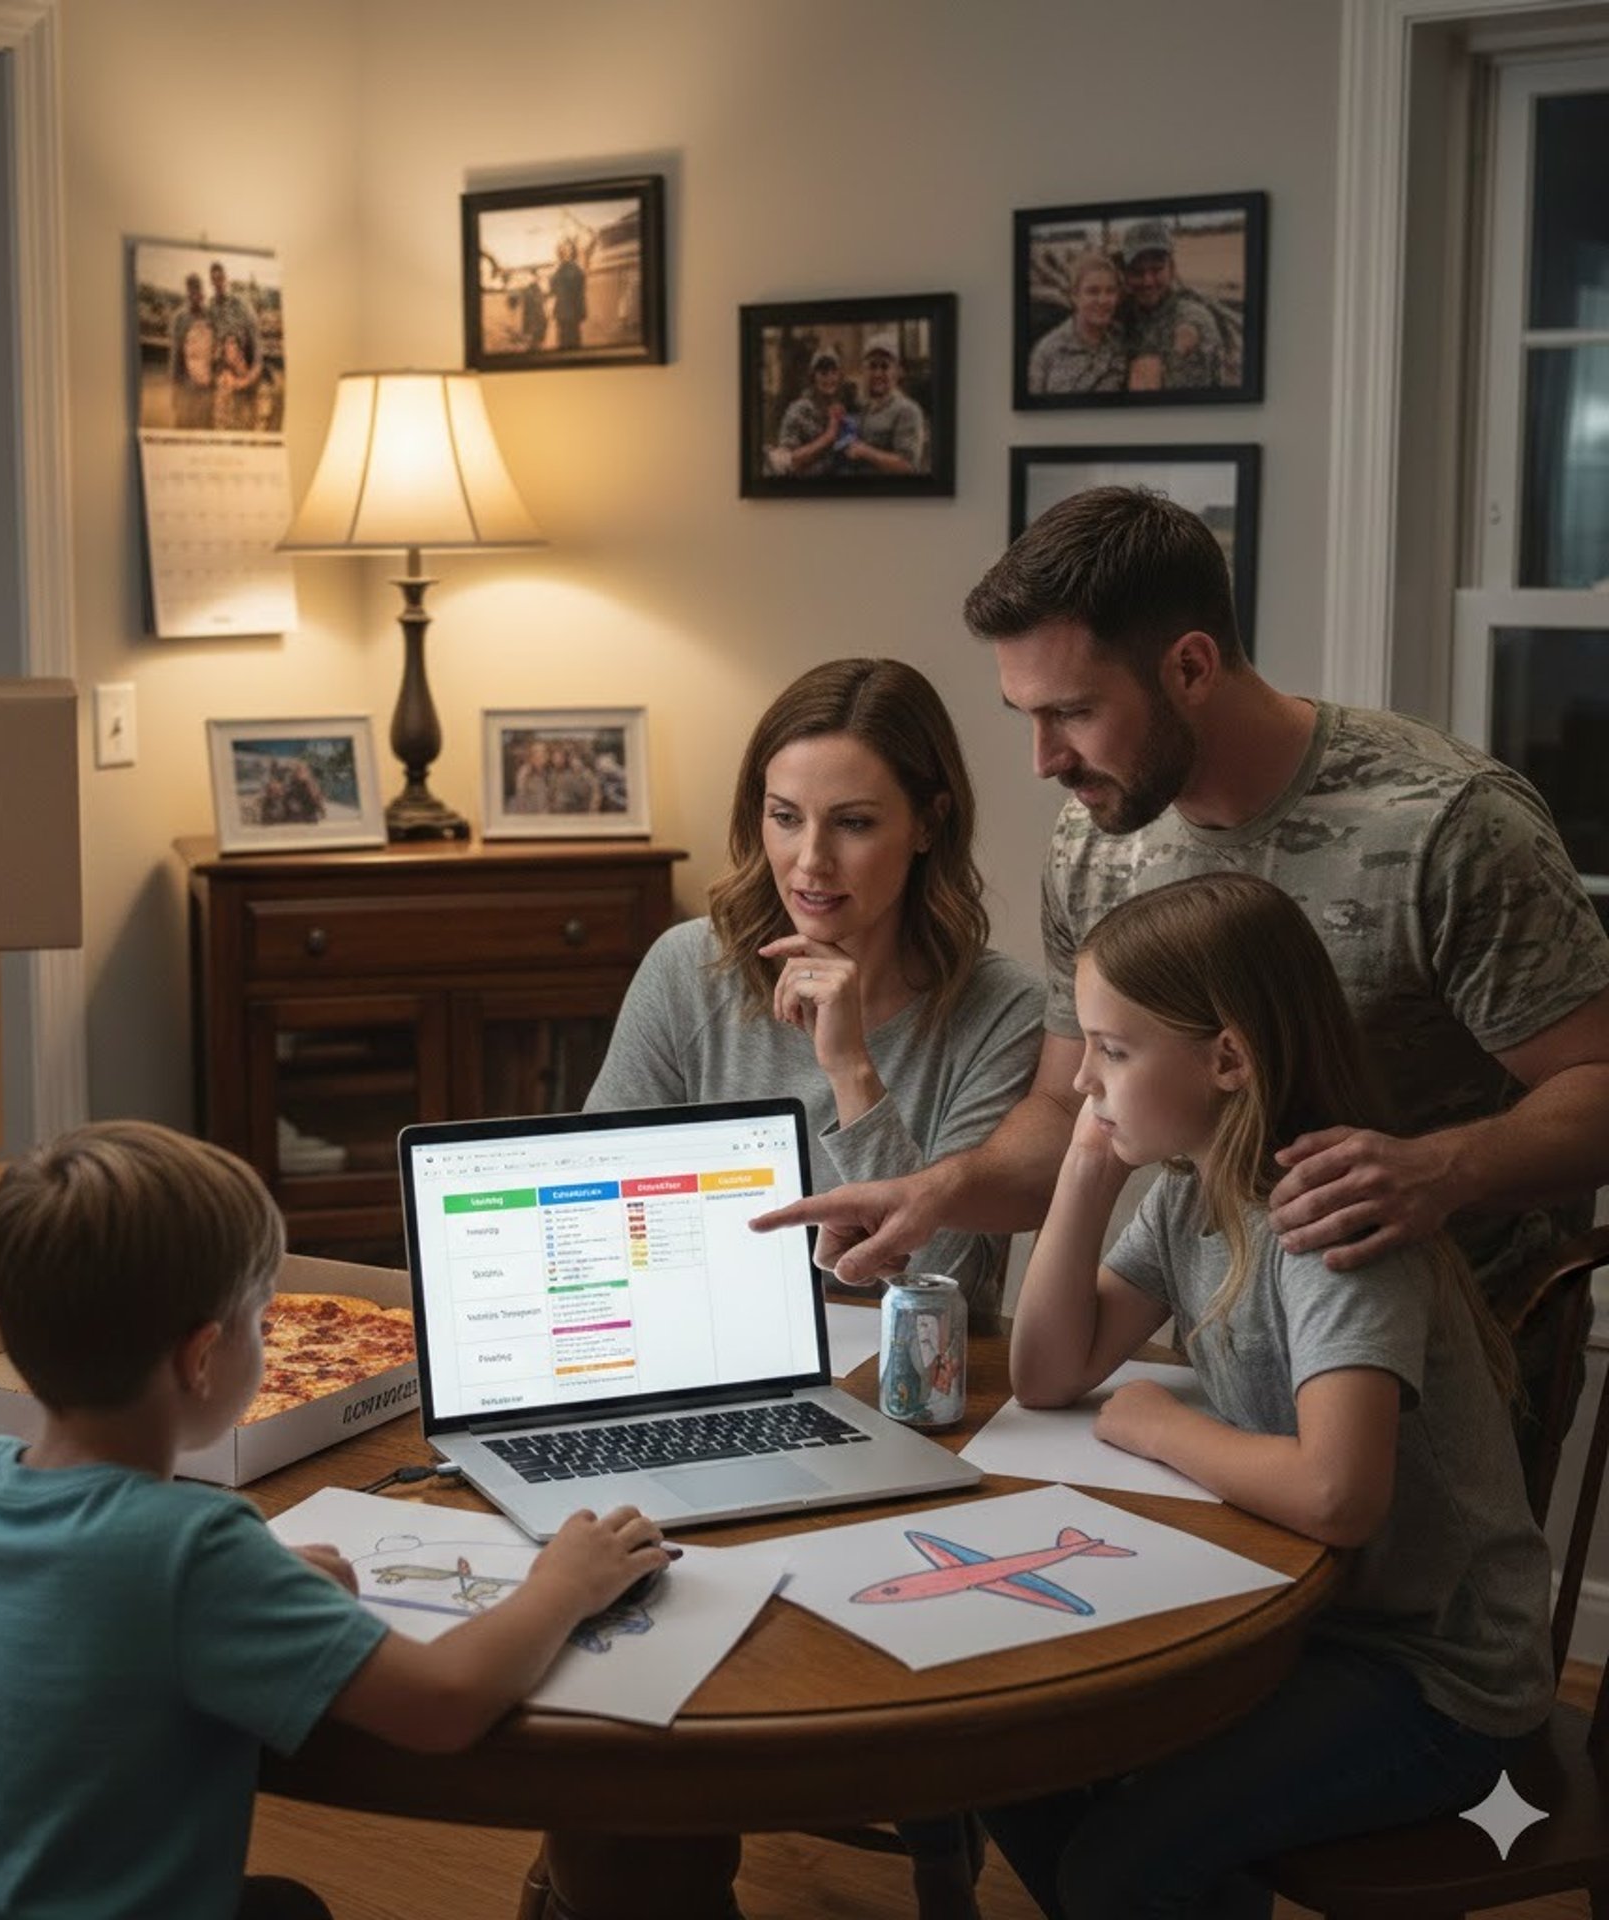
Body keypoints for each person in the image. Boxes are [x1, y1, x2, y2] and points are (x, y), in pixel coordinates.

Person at [754, 485, 1609, 1470]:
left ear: (1192, 666)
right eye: (1026, 714)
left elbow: (1598, 1088)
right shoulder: (1096, 841)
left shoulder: (1447, 827)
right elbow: (1066, 1109)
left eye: (1072, 711)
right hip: (1226, 1362)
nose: (1041, 760)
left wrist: (1437, 1172)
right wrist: (937, 1191)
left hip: (1450, 1374)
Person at [0, 1120, 669, 1920]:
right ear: (200, 1359)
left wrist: (257, 1586)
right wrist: (563, 1584)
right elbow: (445, 1702)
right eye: (262, 1320)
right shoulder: (194, 1551)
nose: (269, 1336)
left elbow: (105, 1606)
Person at [973, 870, 1551, 1919]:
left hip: (1434, 1680)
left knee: (1117, 1866)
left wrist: (1162, 1424)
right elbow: (1048, 1372)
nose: (1085, 1082)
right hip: (1298, 1624)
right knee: (1003, 1756)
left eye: (1113, 1050)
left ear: (1227, 1059)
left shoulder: (1328, 1229)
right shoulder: (1198, 1189)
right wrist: (1085, 1174)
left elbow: (1341, 1496)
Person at [587, 657, 1044, 1321]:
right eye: (785, 817)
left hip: (902, 1389)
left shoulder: (1003, 1012)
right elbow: (595, 1221)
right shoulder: (687, 969)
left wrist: (853, 1070)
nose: (810, 861)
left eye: (853, 823)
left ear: (928, 823)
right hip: (701, 1346)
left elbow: (947, 1297)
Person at [1116, 218, 1225, 390]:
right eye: (1138, 272)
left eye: (1157, 269)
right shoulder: (1124, 313)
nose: (1148, 281)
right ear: (1126, 275)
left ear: (1172, 269)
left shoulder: (1193, 319)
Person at [1025, 250, 1128, 396]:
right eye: (1093, 291)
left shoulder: (1123, 341)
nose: (1103, 300)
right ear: (1074, 295)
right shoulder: (1047, 351)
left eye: (1110, 291)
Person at [844, 333, 928, 474]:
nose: (877, 374)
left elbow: (908, 466)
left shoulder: (907, 410)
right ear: (864, 371)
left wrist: (865, 452)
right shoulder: (864, 407)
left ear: (897, 371)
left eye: (884, 366)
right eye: (872, 366)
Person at [774, 349, 857, 476]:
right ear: (813, 377)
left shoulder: (841, 408)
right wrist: (829, 436)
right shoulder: (798, 410)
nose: (829, 377)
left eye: (833, 372)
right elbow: (786, 461)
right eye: (823, 372)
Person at [169, 271, 216, 429]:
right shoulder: (180, 318)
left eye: (198, 289)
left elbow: (214, 349)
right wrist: (175, 389)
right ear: (188, 292)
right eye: (192, 290)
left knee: (206, 425)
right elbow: (176, 354)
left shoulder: (210, 315)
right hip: (186, 382)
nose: (195, 294)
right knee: (183, 424)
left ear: (202, 291)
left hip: (206, 384)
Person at [208, 258, 263, 382]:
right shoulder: (211, 307)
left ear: (225, 279)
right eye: (214, 279)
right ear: (211, 282)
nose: (218, 283)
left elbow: (254, 333)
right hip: (222, 364)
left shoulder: (239, 303)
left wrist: (255, 366)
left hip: (241, 361)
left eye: (220, 278)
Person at [550, 235, 588, 351]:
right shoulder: (560, 268)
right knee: (564, 341)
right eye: (562, 249)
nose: (565, 252)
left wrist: (581, 311)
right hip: (563, 312)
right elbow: (553, 289)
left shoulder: (574, 269)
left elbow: (579, 293)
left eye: (568, 249)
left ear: (572, 251)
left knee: (571, 342)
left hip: (571, 313)